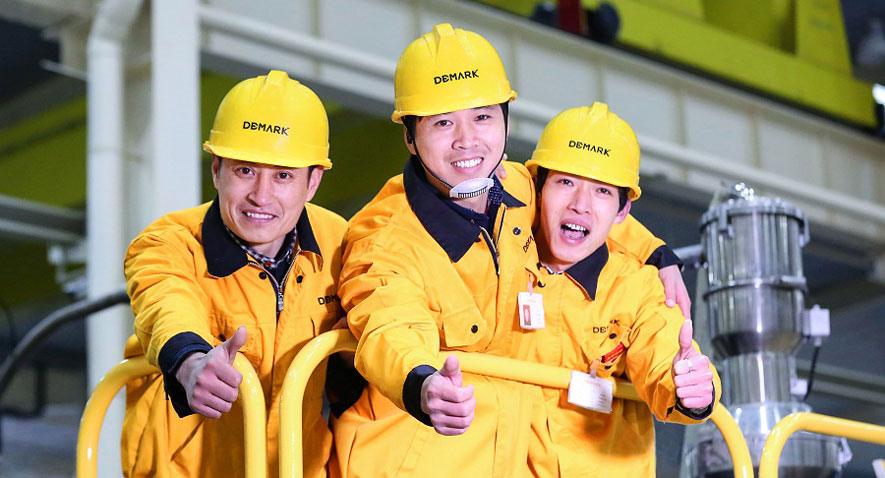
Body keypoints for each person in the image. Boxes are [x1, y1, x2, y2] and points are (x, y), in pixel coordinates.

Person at [332, 24, 688, 477]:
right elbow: (388, 321)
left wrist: (657, 254)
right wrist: (421, 382)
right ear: (409, 136)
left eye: (482, 117)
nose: (467, 140)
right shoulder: (385, 238)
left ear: (505, 119)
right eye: (443, 122)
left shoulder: (518, 188)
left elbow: (584, 207)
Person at [120, 70, 346, 478]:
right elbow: (166, 304)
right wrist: (190, 361)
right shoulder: (167, 243)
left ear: (312, 182)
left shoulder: (340, 245)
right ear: (216, 170)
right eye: (245, 171)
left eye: (283, 175)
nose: (261, 195)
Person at [523, 103, 721, 476]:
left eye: (601, 190)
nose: (580, 205)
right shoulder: (500, 261)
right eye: (565, 182)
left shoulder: (638, 287)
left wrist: (691, 387)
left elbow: (665, 357)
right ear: (538, 188)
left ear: (622, 211)